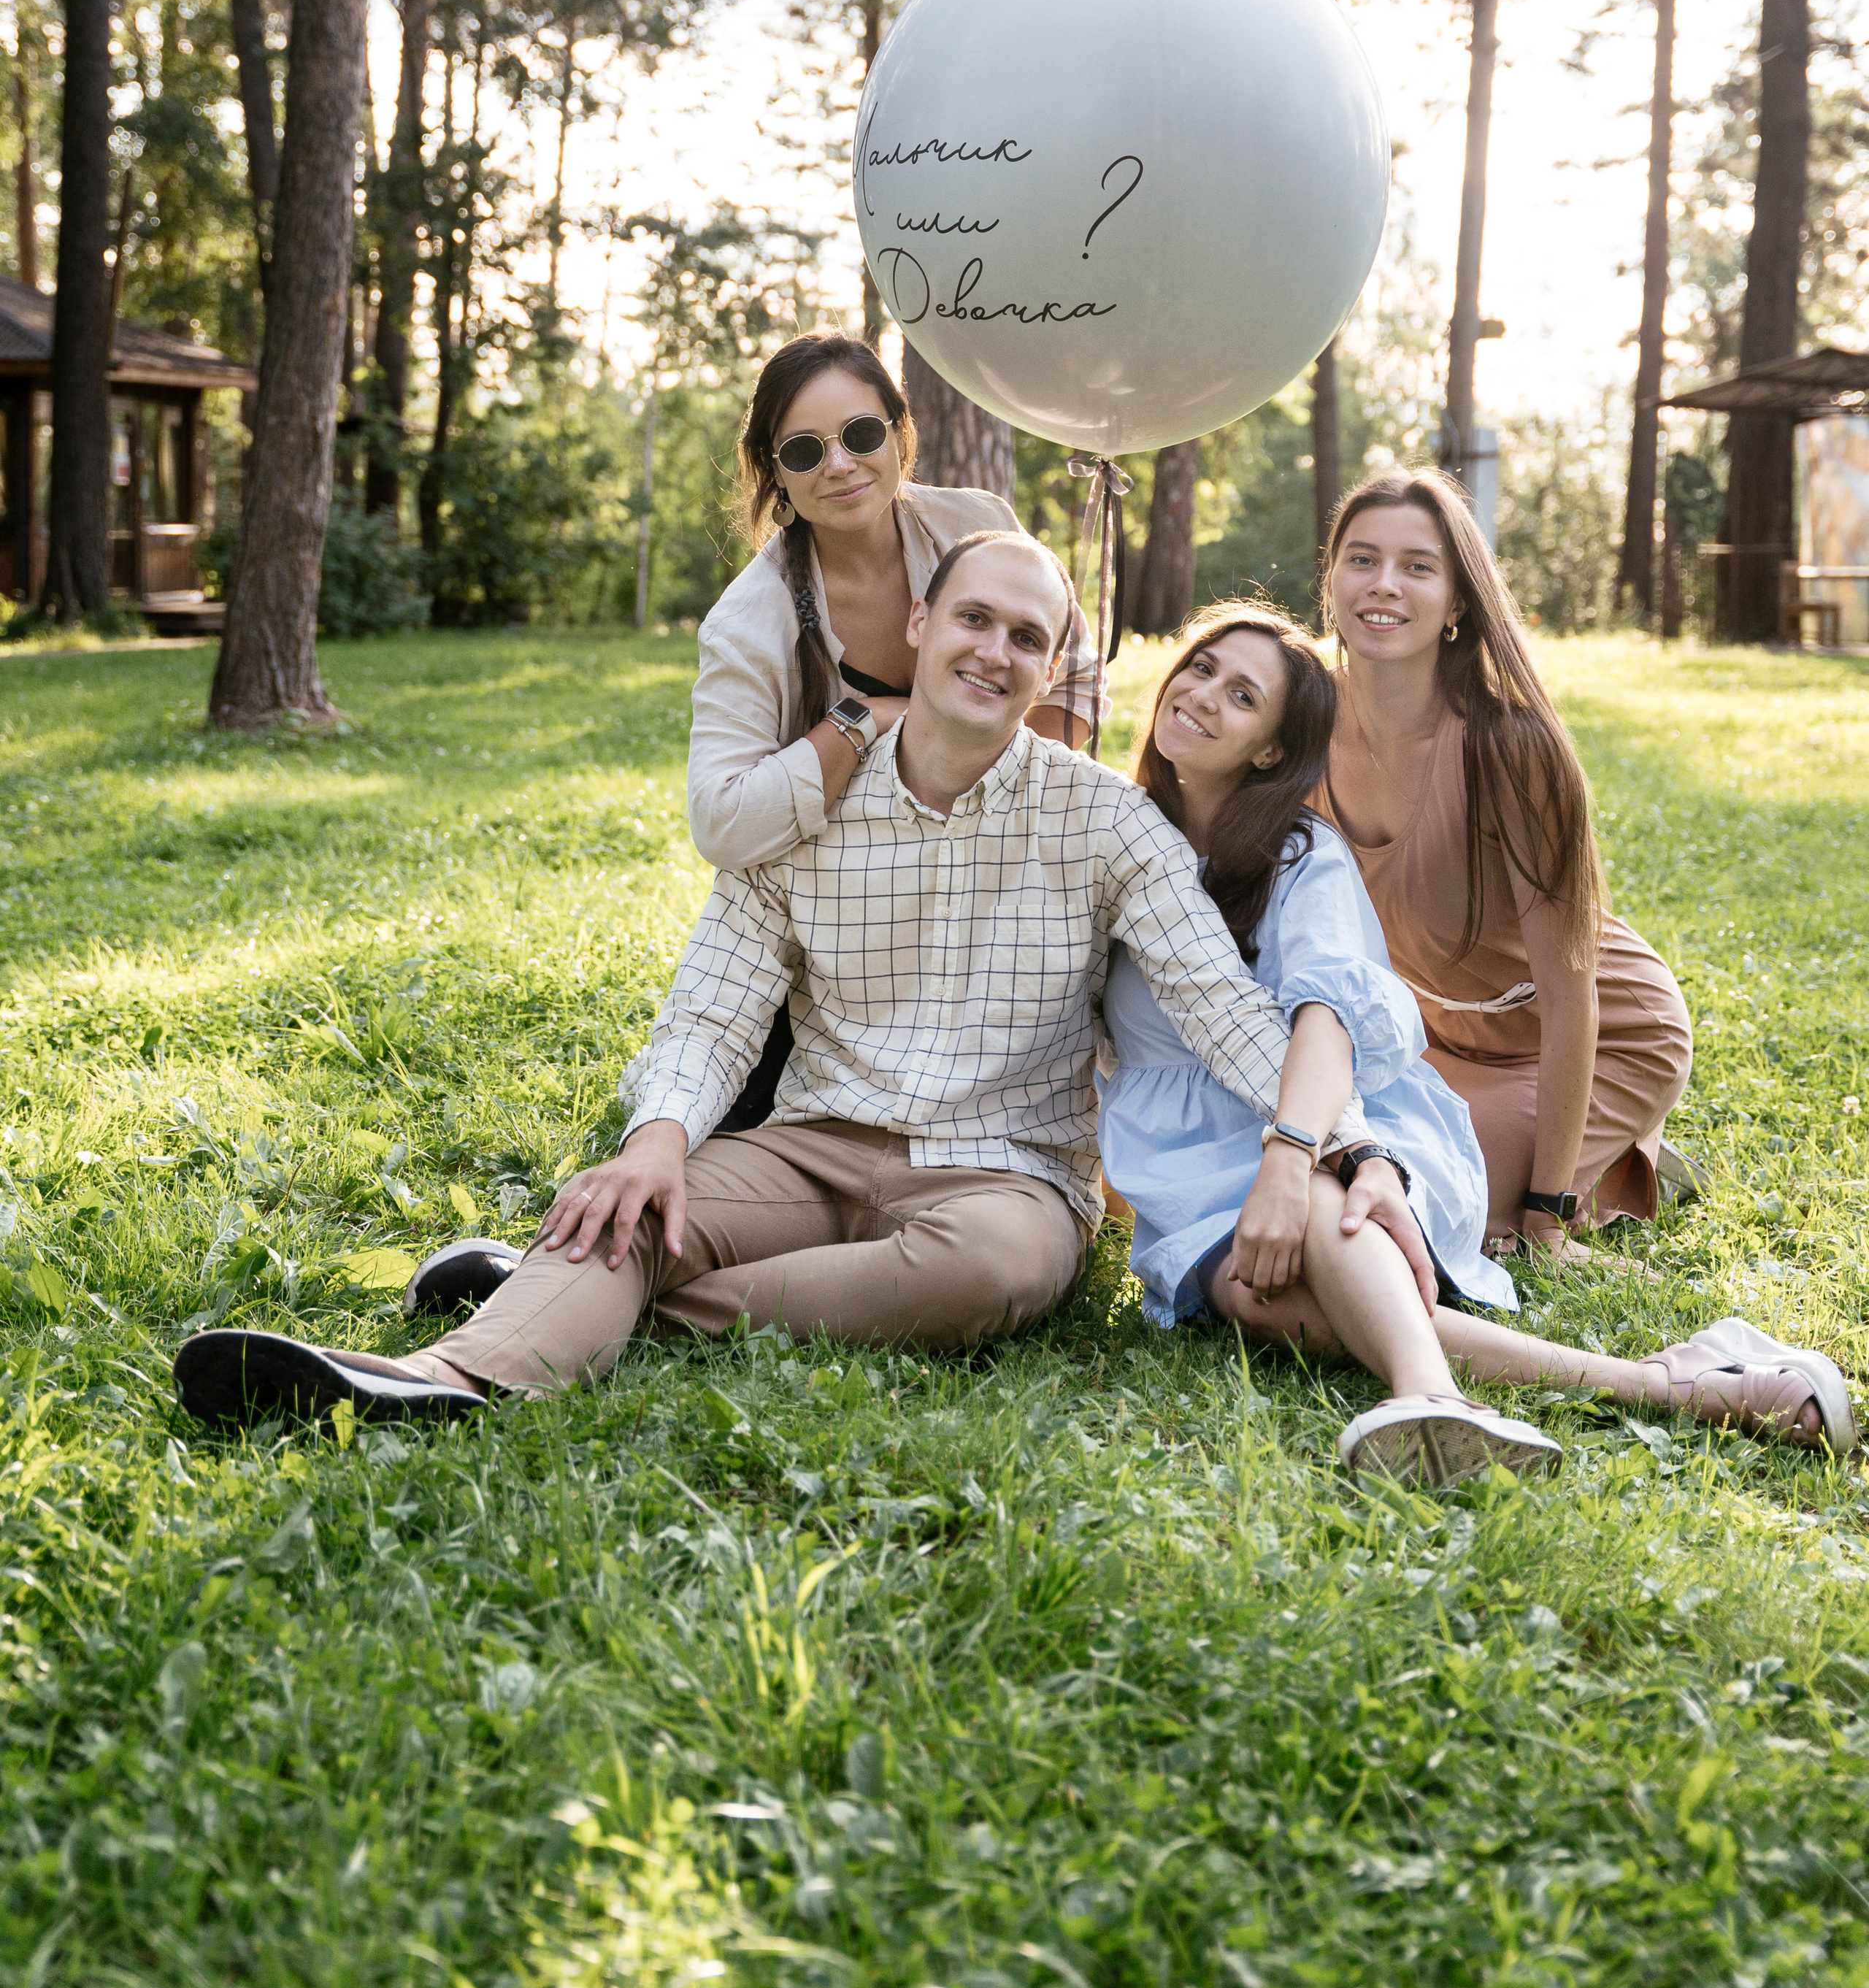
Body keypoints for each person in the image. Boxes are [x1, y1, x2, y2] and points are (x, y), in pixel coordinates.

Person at [172, 531, 1415, 1434]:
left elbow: (1224, 1009)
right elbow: (715, 1002)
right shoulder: (805, 804)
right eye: (974, 619)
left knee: (978, 1271)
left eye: (1027, 638)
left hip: (1006, 1179)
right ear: (922, 628)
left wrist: (1356, 1157)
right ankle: (441, 1381)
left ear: (1051, 674)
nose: (994, 650)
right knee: (632, 1204)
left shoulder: (1104, 822)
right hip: (812, 1144)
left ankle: (579, 1306)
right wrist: (659, 1140)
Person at [1098, 603, 1854, 1467]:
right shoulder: (1112, 833)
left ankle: (1430, 1397)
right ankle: (1676, 1381)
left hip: (1319, 1119)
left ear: (1271, 748)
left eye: (1241, 695)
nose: (1201, 696)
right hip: (1191, 1159)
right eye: (1198, 669)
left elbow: (1327, 1019)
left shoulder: (1299, 854)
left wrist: (1291, 1154)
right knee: (1260, 1301)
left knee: (1321, 1218)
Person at [688, 328, 1099, 1137]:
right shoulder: (748, 621)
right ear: (774, 473)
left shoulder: (975, 525)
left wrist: (1009, 792)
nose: (839, 464)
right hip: (850, 902)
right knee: (758, 1120)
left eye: (861, 434)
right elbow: (723, 819)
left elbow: (1072, 666)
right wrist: (864, 719)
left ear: (899, 435)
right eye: (803, 451)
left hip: (999, 863)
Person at [1319, 467, 1692, 1253]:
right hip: (1438, 1039)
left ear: (1456, 602)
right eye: (1361, 558)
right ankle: (1620, 1155)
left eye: (1417, 567)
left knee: (1421, 1216)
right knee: (1325, 1170)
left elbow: (1570, 998)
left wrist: (1545, 1212)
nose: (1383, 584)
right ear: (1332, 578)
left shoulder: (1508, 748)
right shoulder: (1306, 715)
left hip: (1600, 1032)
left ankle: (1602, 1158)